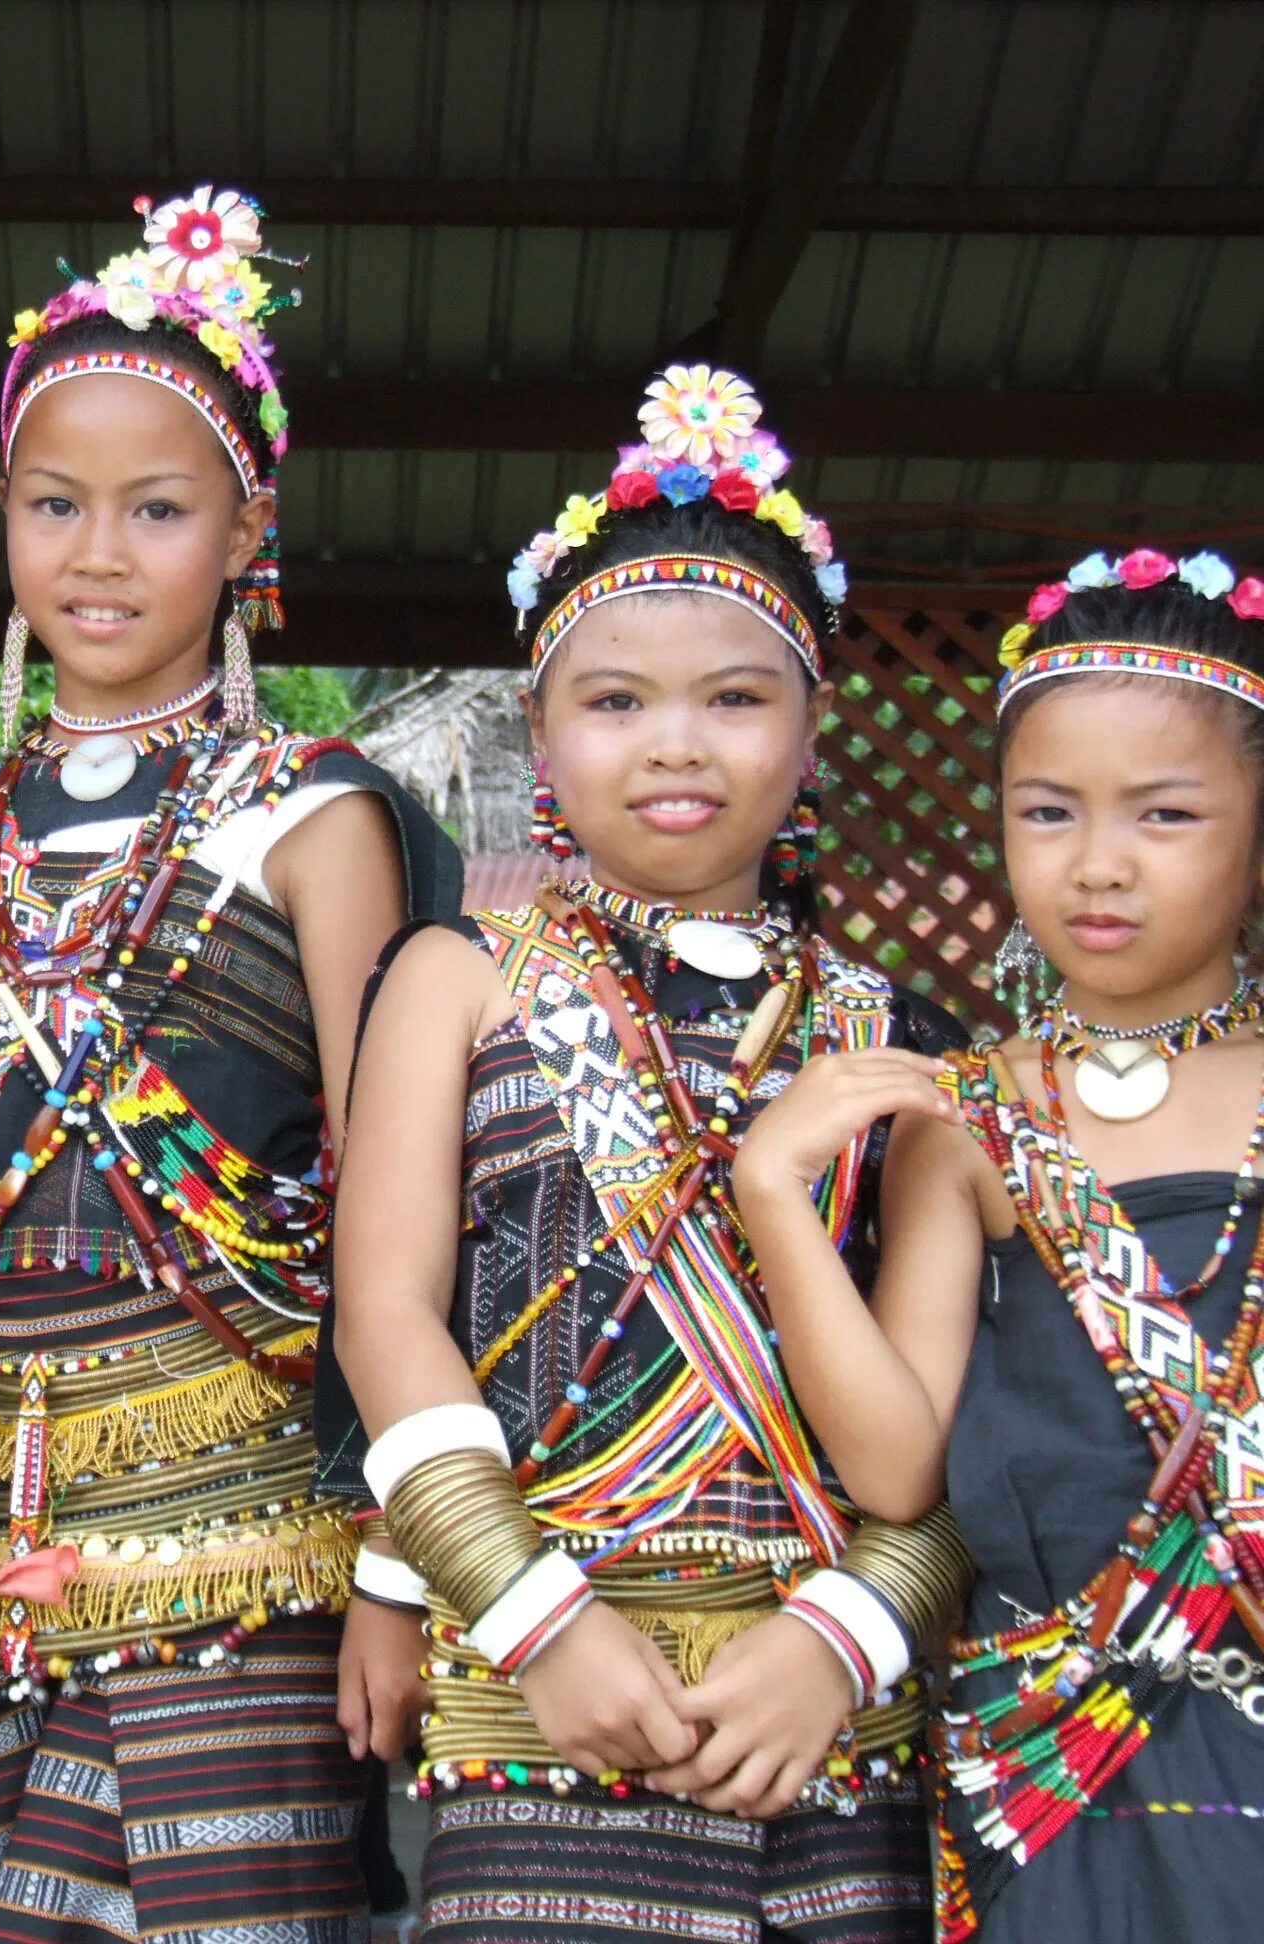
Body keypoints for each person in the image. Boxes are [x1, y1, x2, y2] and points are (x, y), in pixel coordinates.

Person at [323, 369, 971, 1943]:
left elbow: (970, 1401)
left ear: (816, 731)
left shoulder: (903, 1038)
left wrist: (849, 1634)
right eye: (614, 701)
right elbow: (387, 1315)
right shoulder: (456, 975)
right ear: (537, 730)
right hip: (545, 1690)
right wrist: (531, 1617)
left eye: (737, 698)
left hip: (820, 1725)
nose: (673, 745)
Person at [0, 186, 461, 1943]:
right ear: (3, 517)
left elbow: (398, 1196)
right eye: (57, 506)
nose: (99, 553)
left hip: (253, 1532)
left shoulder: (314, 816)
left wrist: (395, 1566)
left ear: (248, 531)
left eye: (159, 509)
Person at [735, 547, 1264, 1939]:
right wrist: (776, 1195)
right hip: (1052, 1779)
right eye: (1048, 811)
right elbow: (899, 1464)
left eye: (1166, 813)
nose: (1098, 864)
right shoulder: (967, 1120)